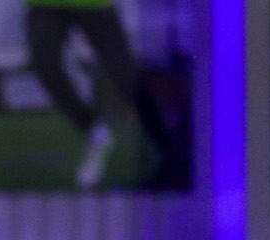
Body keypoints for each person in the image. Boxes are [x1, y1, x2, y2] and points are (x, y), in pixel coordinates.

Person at [22, 0, 180, 189]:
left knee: (126, 77)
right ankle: (94, 130)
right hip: (46, 5)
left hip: (93, 4)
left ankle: (170, 149)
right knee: (44, 63)